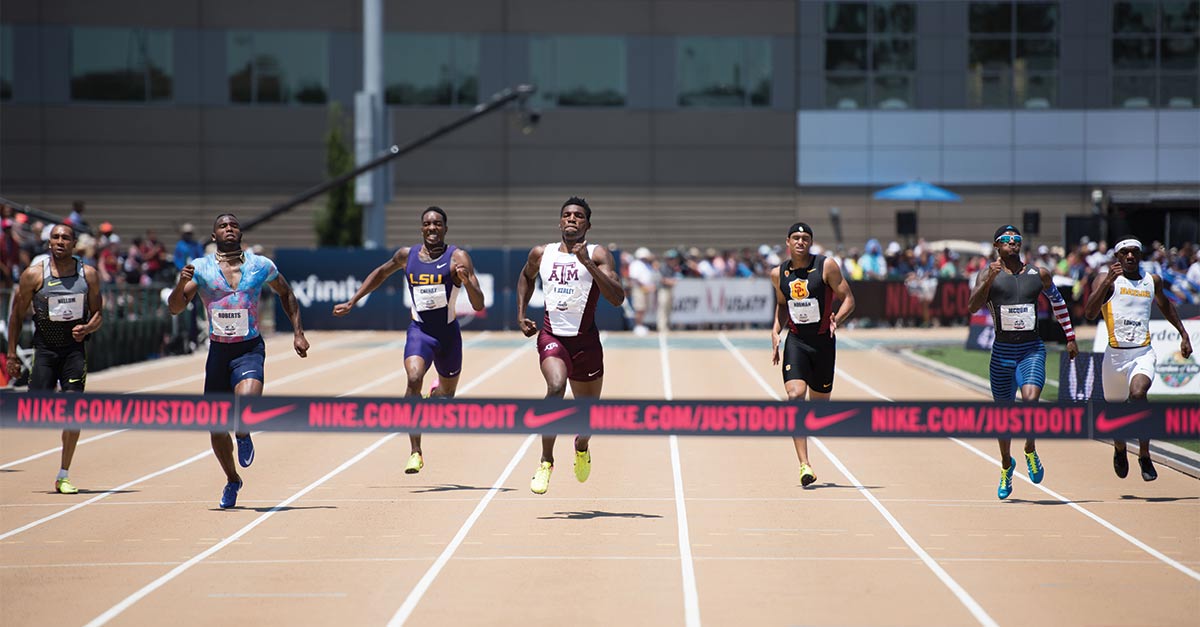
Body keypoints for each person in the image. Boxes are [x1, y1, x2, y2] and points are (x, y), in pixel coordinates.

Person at [168, 213, 309, 509]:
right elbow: (176, 308)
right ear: (213, 235)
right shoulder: (201, 269)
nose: (229, 228)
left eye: (233, 225)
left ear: (240, 232)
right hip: (219, 353)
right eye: (222, 226)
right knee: (216, 427)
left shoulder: (260, 265)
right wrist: (180, 285)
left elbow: (286, 293)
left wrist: (298, 332)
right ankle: (233, 479)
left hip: (249, 348)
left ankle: (243, 431)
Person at [332, 206, 485, 474]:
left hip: (448, 334)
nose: (432, 228)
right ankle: (415, 452)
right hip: (420, 332)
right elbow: (380, 273)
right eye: (427, 224)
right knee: (413, 379)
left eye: (438, 224)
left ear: (445, 229)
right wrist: (353, 301)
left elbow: (478, 301)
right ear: (421, 228)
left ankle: (435, 394)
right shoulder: (407, 255)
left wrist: (466, 282)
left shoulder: (457, 256)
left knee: (446, 397)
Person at [517, 197, 624, 494]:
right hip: (553, 337)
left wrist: (587, 263)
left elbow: (617, 298)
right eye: (567, 215)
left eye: (578, 216)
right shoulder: (542, 253)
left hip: (586, 343)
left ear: (587, 224)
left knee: (587, 418)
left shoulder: (598, 254)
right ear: (560, 221)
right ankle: (545, 461)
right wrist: (521, 314)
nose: (572, 219)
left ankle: (581, 446)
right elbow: (525, 277)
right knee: (555, 387)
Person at [967, 225, 1078, 500]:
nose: (1013, 244)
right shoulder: (988, 274)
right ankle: (1006, 465)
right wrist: (988, 280)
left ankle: (1030, 448)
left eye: (1017, 240)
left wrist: (1070, 336)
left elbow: (1058, 302)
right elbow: (971, 306)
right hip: (1002, 352)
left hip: (1031, 349)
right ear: (996, 245)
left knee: (1030, 402)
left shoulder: (1037, 274)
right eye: (1007, 240)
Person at [1084, 238, 1192, 481]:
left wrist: (1183, 333)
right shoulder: (1105, 279)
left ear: (1140, 255)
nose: (1130, 256)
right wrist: (1107, 283)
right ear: (1117, 257)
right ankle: (1120, 448)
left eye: (1134, 252)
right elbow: (1090, 313)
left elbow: (1165, 305)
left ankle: (1144, 454)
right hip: (1114, 355)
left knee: (1139, 392)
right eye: (1125, 253)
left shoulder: (1151, 281)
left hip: (1142, 352)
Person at [6, 224, 103, 494]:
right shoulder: (33, 276)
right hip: (45, 350)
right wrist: (12, 353)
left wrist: (87, 328)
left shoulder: (89, 275)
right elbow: (15, 315)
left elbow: (98, 315)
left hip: (74, 351)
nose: (60, 241)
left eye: (65, 238)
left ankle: (63, 474)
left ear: (73, 244)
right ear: (49, 243)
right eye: (55, 237)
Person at [770, 223, 855, 486]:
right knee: (795, 396)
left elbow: (849, 299)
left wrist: (836, 320)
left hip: (823, 343)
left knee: (818, 410)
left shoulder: (826, 266)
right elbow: (783, 306)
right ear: (787, 242)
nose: (800, 242)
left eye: (805, 238)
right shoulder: (778, 273)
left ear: (811, 242)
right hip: (796, 342)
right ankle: (804, 465)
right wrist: (775, 331)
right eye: (795, 238)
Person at [173, 223, 206, 349]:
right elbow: (178, 261)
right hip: (184, 276)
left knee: (197, 308)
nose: (188, 235)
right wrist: (184, 271)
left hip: (196, 275)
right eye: (186, 233)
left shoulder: (196, 245)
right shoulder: (180, 246)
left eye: (190, 233)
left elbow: (200, 258)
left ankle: (198, 336)